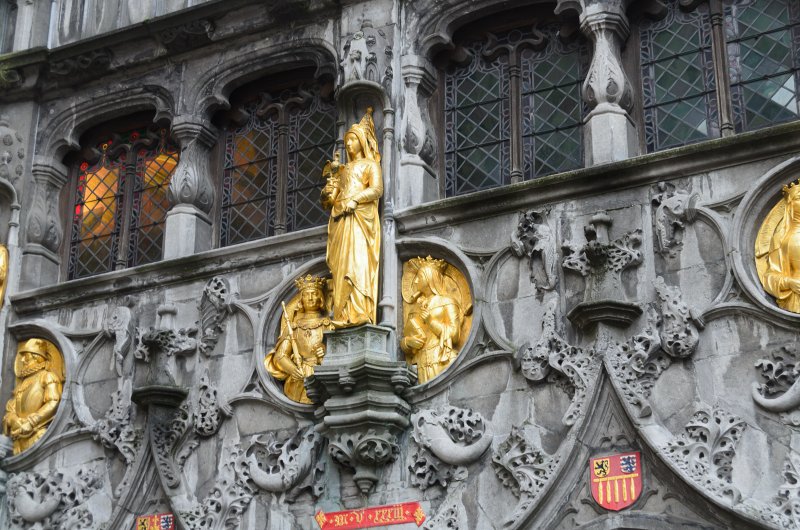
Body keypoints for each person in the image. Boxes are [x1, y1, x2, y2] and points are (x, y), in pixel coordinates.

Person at [321, 108, 383, 327]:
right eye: (346, 140)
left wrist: (355, 200)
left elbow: (377, 190)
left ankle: (360, 312)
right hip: (341, 219)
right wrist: (331, 186)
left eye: (352, 140)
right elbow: (330, 199)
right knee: (341, 267)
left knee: (357, 263)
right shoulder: (344, 169)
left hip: (360, 219)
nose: (348, 144)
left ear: (362, 143)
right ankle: (342, 314)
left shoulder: (370, 165)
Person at [264, 275, 334, 404]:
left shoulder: (328, 324)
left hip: (322, 374)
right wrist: (292, 369)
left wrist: (324, 352)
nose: (311, 298)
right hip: (299, 378)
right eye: (307, 295)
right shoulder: (294, 327)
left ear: (321, 298)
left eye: (314, 294)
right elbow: (280, 355)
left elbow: (338, 350)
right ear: (301, 299)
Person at [400, 257, 467, 384]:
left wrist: (431, 322)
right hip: (419, 364)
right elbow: (405, 338)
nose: (416, 281)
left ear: (429, 278)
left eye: (420, 277)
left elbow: (455, 335)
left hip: (441, 359)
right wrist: (409, 342)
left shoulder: (447, 302)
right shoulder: (415, 307)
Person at [3, 338, 64, 454]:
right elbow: (11, 407)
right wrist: (13, 419)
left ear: (36, 357)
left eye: (26, 355)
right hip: (17, 440)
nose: (22, 359)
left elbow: (53, 402)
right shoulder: (22, 383)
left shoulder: (47, 376)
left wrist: (31, 423)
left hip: (36, 436)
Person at [760, 181, 800, 313]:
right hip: (795, 300)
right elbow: (769, 277)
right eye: (799, 197)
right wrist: (789, 283)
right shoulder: (780, 240)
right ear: (790, 205)